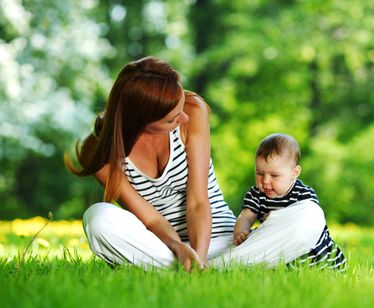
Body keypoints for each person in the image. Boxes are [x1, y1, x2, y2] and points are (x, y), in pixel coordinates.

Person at [65, 56, 327, 272]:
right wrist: (180, 248)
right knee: (97, 218)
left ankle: (209, 269)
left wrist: (199, 256)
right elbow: (151, 219)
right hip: (164, 247)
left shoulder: (193, 111)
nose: (182, 118)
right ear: (140, 120)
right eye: (171, 119)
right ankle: (210, 269)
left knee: (310, 216)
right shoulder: (99, 152)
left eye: (180, 106)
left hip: (221, 241)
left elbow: (198, 201)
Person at [232, 133, 347, 271]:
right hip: (280, 246)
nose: (265, 181)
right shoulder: (256, 194)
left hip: (310, 247)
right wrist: (241, 233)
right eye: (260, 173)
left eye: (274, 175)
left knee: (312, 266)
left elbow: (308, 221)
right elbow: (245, 216)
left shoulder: (302, 193)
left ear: (294, 173)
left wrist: (279, 219)